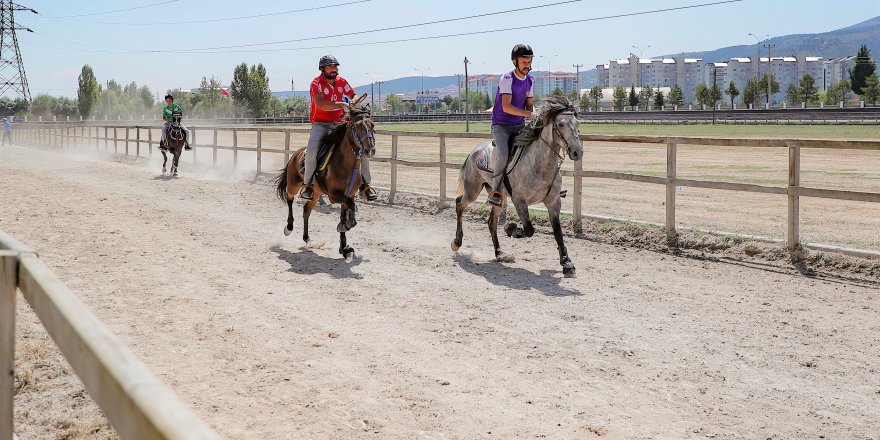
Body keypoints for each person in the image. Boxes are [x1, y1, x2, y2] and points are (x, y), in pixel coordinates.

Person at [300, 55, 377, 202]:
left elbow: (353, 95)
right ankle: (308, 185)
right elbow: (321, 104)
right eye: (330, 67)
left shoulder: (342, 82)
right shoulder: (316, 83)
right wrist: (341, 104)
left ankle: (366, 186)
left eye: (335, 66)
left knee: (361, 146)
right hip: (321, 124)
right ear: (322, 69)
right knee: (312, 150)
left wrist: (354, 100)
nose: (334, 69)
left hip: (340, 123)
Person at [487, 44, 536, 207]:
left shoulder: (530, 80)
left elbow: (529, 105)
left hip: (519, 125)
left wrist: (536, 113)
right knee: (503, 153)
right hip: (501, 125)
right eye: (524, 61)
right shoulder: (507, 78)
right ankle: (495, 192)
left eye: (529, 60)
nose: (527, 64)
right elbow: (507, 106)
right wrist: (529, 114)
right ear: (515, 62)